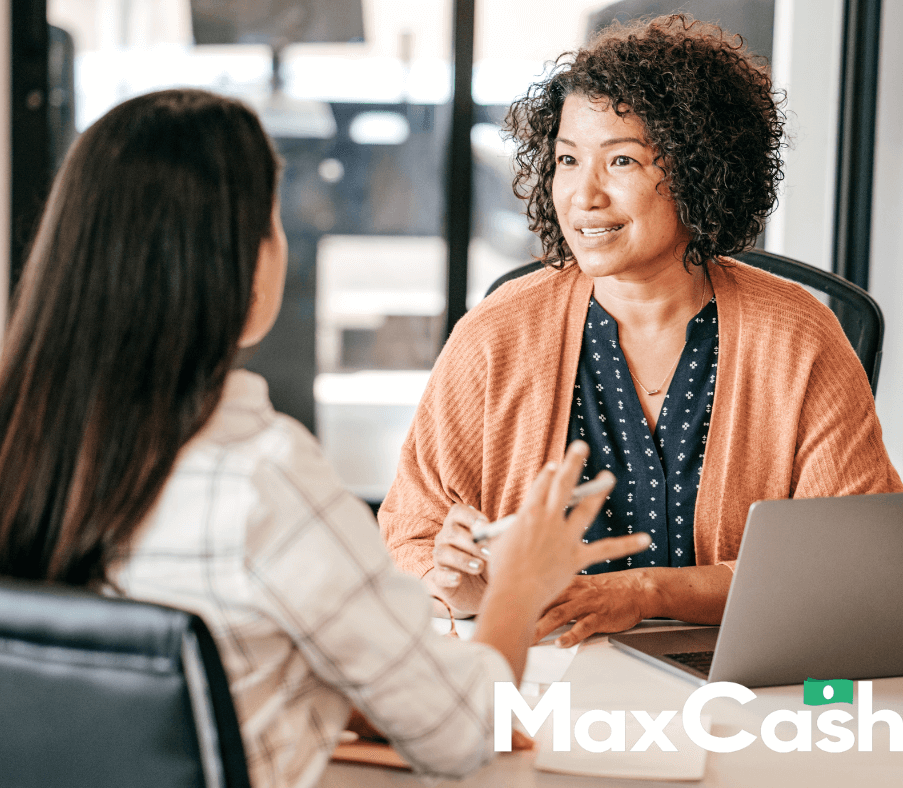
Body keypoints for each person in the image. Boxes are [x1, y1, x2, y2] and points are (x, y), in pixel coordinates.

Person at [0, 89, 651, 787]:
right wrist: (519, 586)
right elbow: (464, 732)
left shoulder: (27, 452)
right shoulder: (262, 478)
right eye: (273, 221)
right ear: (240, 262)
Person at [379, 15, 903, 647]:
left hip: (733, 672)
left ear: (699, 169)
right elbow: (411, 537)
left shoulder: (797, 335)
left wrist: (649, 592)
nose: (584, 195)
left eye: (621, 160)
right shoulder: (496, 334)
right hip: (541, 668)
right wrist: (459, 585)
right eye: (567, 159)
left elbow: (848, 563)